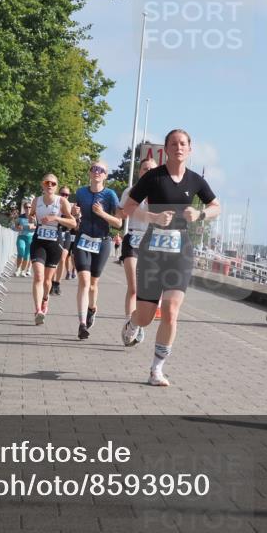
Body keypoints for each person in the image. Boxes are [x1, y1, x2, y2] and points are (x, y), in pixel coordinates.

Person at [121, 130, 220, 387]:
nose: (179, 147)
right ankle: (133, 324)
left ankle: (156, 369)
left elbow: (216, 207)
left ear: (190, 149)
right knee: (145, 316)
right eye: (174, 143)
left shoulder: (196, 180)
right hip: (152, 252)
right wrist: (152, 217)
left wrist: (199, 215)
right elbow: (128, 208)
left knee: (171, 311)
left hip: (181, 252)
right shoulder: (154, 177)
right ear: (165, 149)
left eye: (183, 143)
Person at [72, 162, 123, 339]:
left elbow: (118, 223)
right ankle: (82, 324)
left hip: (102, 242)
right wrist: (74, 212)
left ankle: (92, 309)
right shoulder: (81, 192)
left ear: (105, 175)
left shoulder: (110, 195)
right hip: (83, 240)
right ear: (89, 172)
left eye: (101, 170)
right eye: (94, 168)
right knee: (84, 282)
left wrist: (102, 213)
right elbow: (76, 216)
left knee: (93, 284)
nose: (97, 172)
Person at [28, 174, 76, 325]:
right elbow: (31, 215)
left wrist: (55, 218)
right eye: (46, 182)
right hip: (39, 242)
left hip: (55, 243)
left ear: (56, 186)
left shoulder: (61, 201)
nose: (49, 185)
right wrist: (31, 219)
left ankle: (45, 299)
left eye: (53, 183)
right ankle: (38, 311)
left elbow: (73, 223)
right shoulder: (36, 200)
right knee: (38, 277)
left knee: (48, 281)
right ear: (42, 185)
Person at [119, 158, 158, 319]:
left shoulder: (161, 193)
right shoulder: (130, 191)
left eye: (151, 169)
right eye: (145, 169)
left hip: (152, 241)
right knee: (134, 287)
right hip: (133, 238)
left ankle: (140, 319)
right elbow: (121, 213)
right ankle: (130, 323)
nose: (148, 172)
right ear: (139, 171)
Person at [50, 185, 73, 295]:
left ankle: (57, 284)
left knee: (63, 258)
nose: (64, 196)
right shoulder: (55, 205)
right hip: (56, 232)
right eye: (62, 194)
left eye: (66, 195)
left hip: (67, 234)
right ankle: (51, 282)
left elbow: (75, 225)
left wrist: (76, 214)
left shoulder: (71, 207)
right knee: (55, 259)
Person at [13, 205, 34, 277]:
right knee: (21, 251)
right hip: (21, 236)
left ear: (31, 208)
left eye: (29, 207)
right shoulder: (21, 217)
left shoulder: (34, 217)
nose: (28, 208)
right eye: (26, 207)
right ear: (24, 208)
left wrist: (32, 227)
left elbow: (38, 226)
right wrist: (18, 227)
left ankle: (23, 270)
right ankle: (18, 269)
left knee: (27, 255)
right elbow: (16, 226)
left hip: (30, 237)